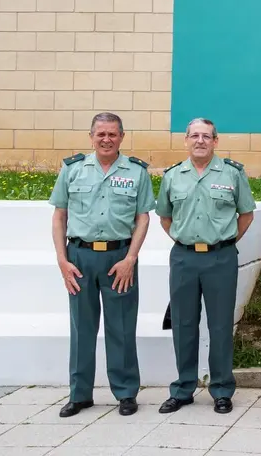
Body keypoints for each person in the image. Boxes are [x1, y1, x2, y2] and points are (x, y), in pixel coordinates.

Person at [49, 112, 154, 418]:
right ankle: (79, 395)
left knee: (121, 327)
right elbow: (59, 217)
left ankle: (125, 393)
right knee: (82, 328)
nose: (106, 139)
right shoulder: (73, 170)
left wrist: (131, 258)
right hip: (79, 258)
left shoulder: (136, 172)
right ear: (91, 137)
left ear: (122, 137)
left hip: (119, 258)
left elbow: (143, 217)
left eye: (112, 134)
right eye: (101, 134)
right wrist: (62, 261)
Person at [155, 118, 256, 415]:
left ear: (216, 141)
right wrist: (184, 239)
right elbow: (164, 217)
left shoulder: (232, 174)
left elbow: (246, 214)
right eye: (195, 136)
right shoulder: (173, 176)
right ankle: (183, 388)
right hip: (184, 258)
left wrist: (222, 241)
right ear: (186, 140)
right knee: (184, 324)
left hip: (220, 258)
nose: (200, 140)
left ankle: (222, 389)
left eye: (206, 136)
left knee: (221, 325)